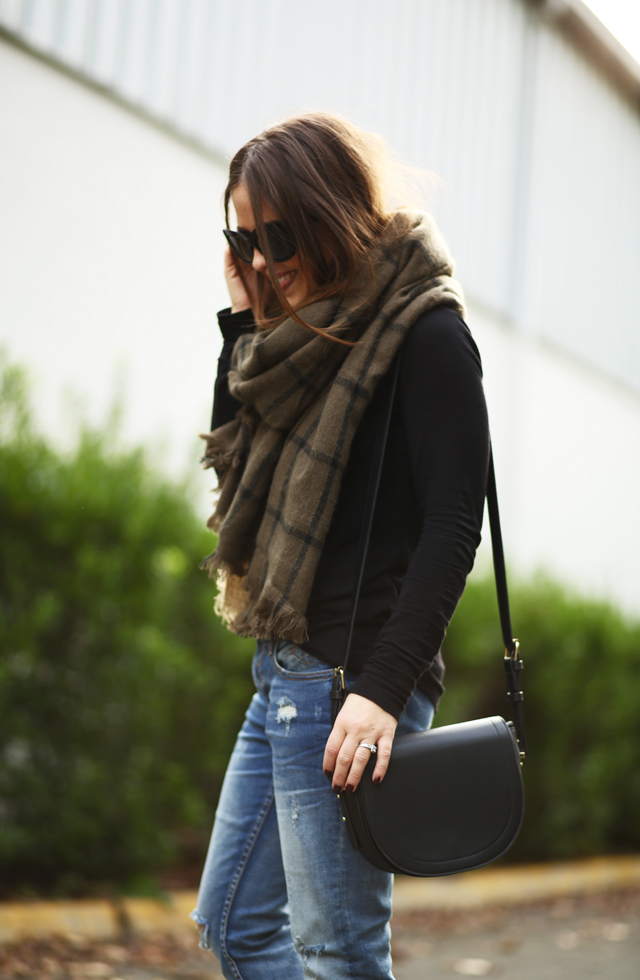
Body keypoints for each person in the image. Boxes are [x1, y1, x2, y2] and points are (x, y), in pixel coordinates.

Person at [191, 112, 489, 980]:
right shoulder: (299, 340)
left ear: (330, 213)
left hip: (350, 685)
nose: (260, 255)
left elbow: (451, 527)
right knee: (237, 926)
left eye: (276, 234)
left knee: (339, 951)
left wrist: (383, 693)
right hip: (285, 677)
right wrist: (242, 316)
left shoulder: (424, 334)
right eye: (240, 236)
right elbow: (232, 464)